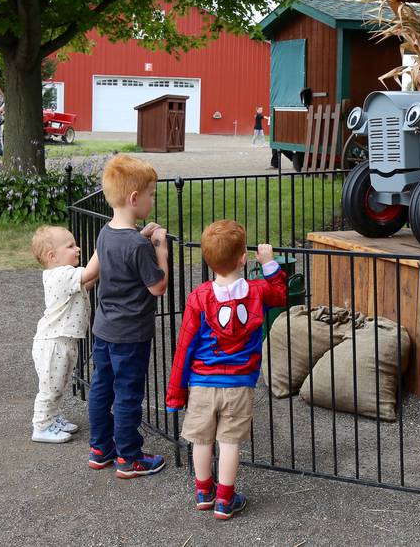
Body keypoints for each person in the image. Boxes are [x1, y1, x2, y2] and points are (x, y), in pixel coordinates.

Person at [165, 219, 287, 520]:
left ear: (207, 260)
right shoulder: (257, 292)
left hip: (202, 384)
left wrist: (175, 393)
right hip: (239, 384)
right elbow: (281, 294)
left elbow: (185, 347)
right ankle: (225, 499)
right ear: (244, 258)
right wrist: (270, 263)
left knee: (201, 440)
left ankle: (203, 492)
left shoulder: (198, 298)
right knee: (229, 442)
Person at [87, 154, 169, 478]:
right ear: (135, 199)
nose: (152, 201)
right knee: (128, 393)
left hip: (104, 329)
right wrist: (160, 248)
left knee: (101, 387)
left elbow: (122, 255)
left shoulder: (106, 233)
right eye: (151, 195)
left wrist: (143, 235)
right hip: (131, 335)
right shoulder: (139, 247)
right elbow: (157, 287)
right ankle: (129, 457)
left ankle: (100, 448)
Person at [30, 226, 100, 443]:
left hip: (62, 341)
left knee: (58, 384)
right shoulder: (60, 275)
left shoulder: (64, 275)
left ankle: (51, 418)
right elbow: (88, 274)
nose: (77, 248)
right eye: (70, 246)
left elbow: (88, 282)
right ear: (53, 257)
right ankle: (41, 426)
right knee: (50, 388)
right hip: (54, 343)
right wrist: (104, 245)